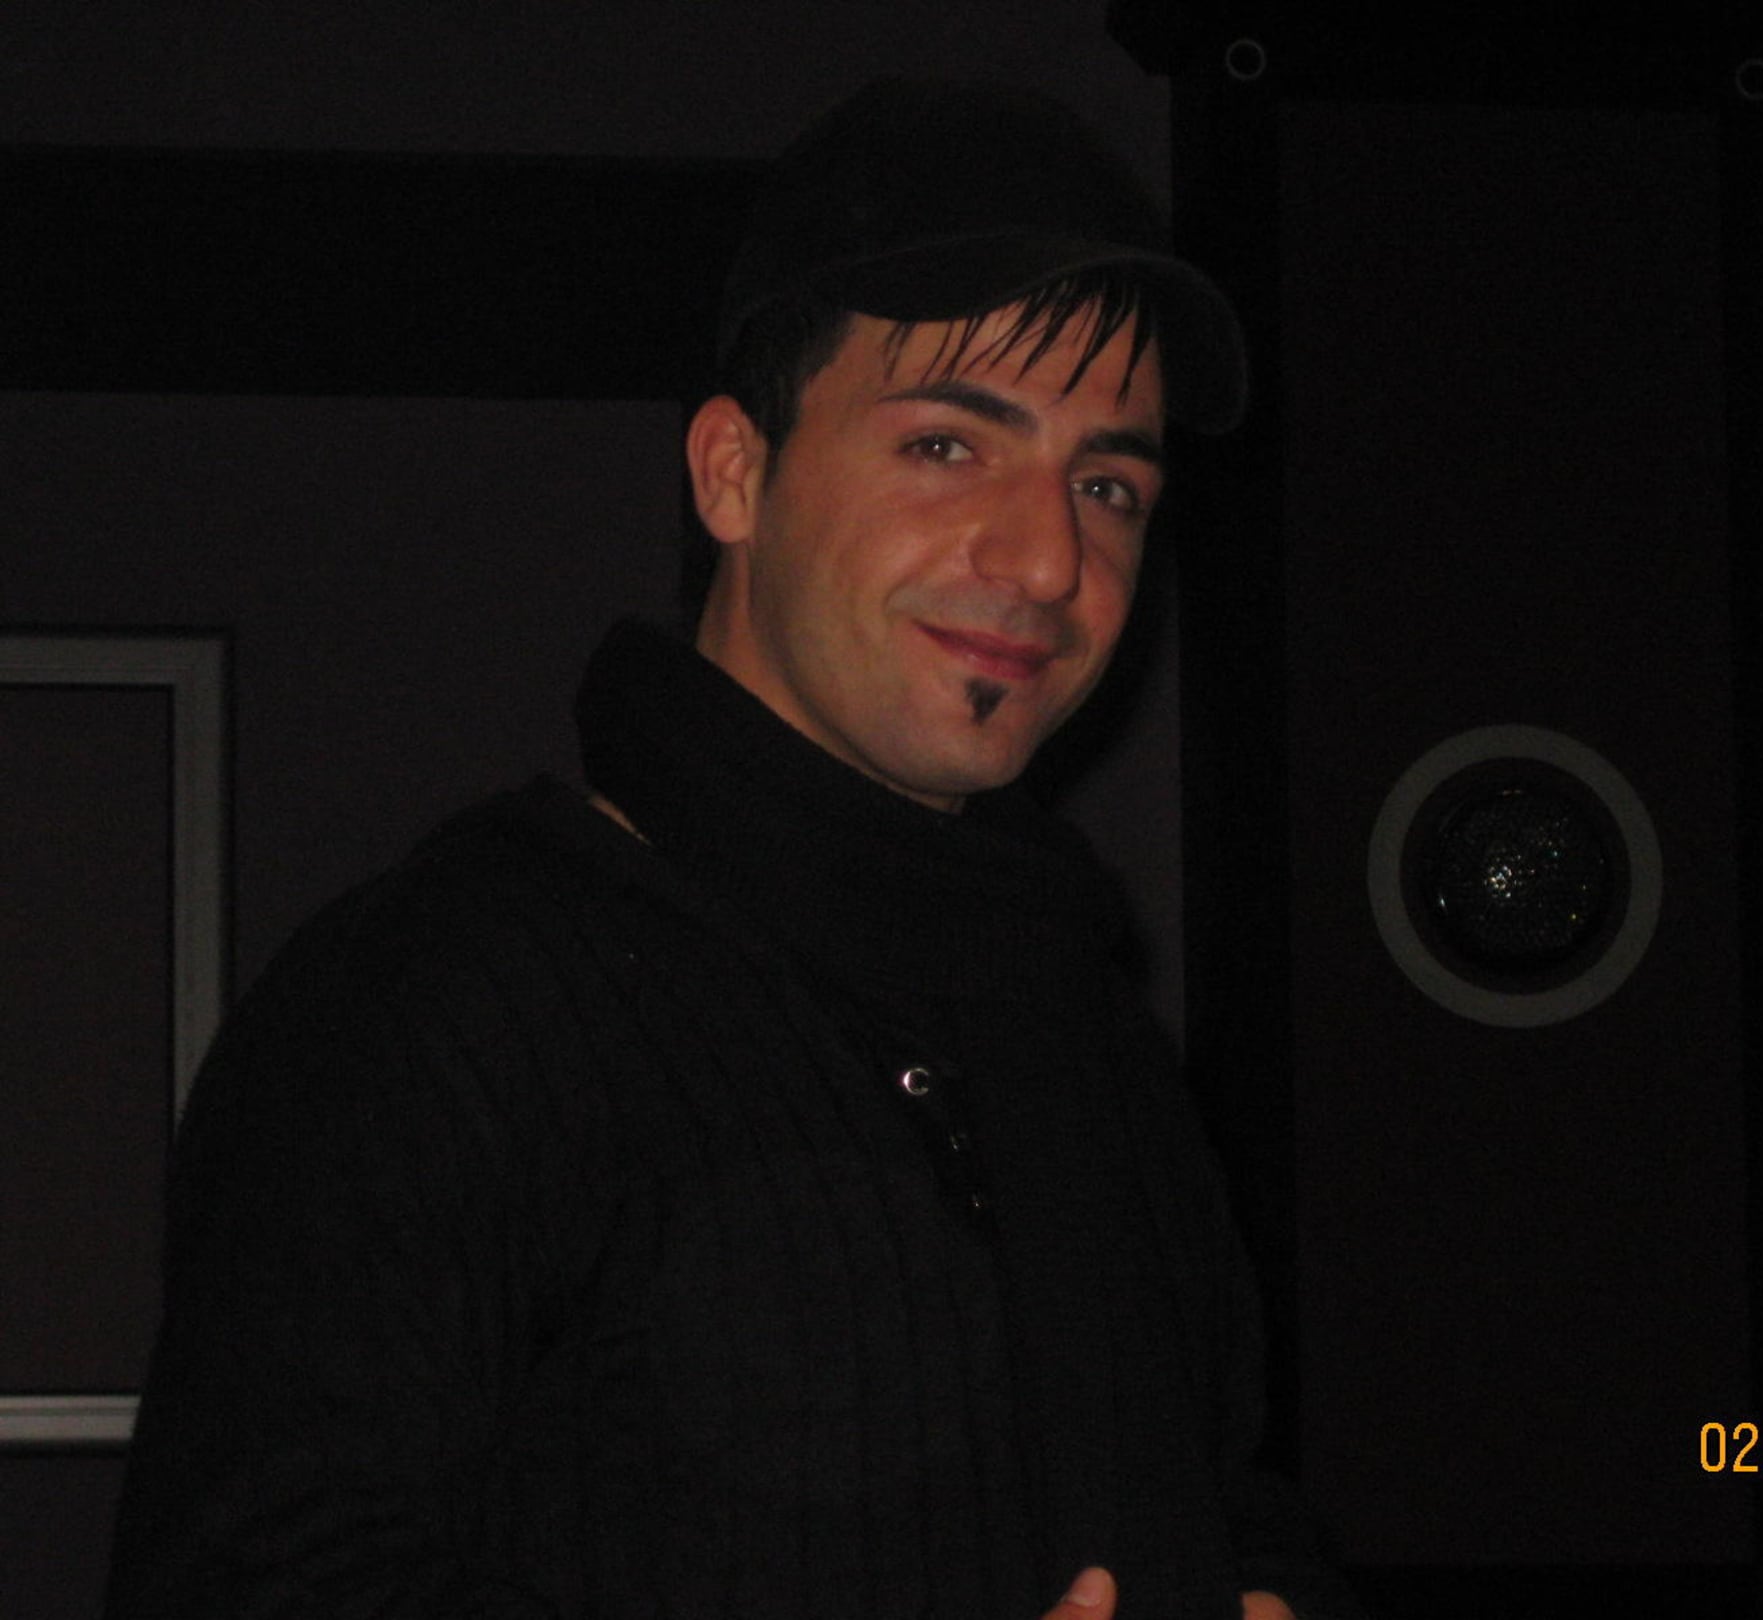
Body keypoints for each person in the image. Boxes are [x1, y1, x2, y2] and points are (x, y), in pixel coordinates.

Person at [105, 78, 1363, 1620]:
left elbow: (1225, 1506)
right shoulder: (439, 998)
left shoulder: (1084, 1036)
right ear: (733, 473)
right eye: (948, 446)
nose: (1049, 558)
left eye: (1107, 484)